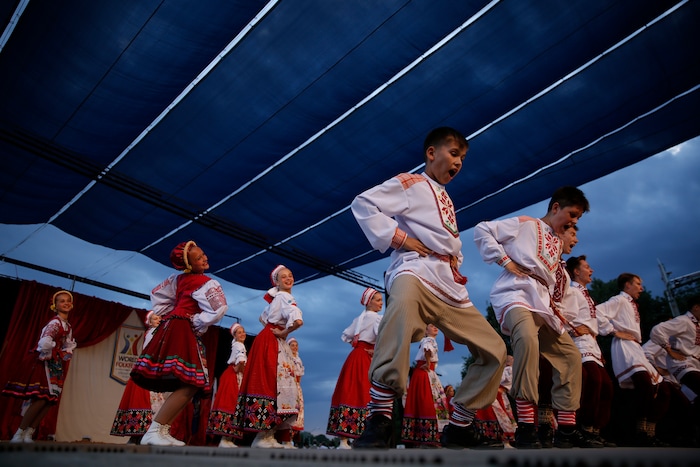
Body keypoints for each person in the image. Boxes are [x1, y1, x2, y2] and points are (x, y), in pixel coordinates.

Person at [351, 126, 507, 449]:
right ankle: (380, 418)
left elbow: (450, 242)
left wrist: (455, 260)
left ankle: (460, 423)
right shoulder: (412, 183)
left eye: (463, 158)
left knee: (496, 349)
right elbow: (364, 204)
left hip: (448, 284)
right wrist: (401, 239)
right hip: (415, 271)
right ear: (431, 153)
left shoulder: (446, 197)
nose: (459, 162)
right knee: (400, 312)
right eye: (454, 154)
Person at [474, 186, 595, 449]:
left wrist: (557, 309)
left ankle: (565, 429)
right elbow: (483, 230)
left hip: (541, 303)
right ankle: (527, 428)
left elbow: (550, 281)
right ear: (555, 208)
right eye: (572, 214)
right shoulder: (527, 224)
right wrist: (505, 260)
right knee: (527, 341)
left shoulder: (555, 240)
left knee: (570, 356)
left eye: (578, 218)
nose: (574, 221)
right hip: (515, 293)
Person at [130, 240, 228, 446]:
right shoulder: (204, 282)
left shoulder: (177, 280)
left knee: (192, 384)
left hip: (178, 327)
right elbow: (219, 309)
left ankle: (162, 430)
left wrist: (172, 313)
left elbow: (157, 295)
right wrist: (194, 319)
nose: (205, 258)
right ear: (189, 265)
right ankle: (155, 430)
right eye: (199, 257)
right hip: (181, 330)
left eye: (203, 255)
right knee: (190, 382)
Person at [232, 265, 303, 448]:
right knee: (271, 383)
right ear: (277, 282)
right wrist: (284, 332)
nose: (288, 279)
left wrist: (280, 332)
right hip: (271, 342)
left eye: (290, 275)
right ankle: (263, 436)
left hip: (267, 340)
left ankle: (267, 435)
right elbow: (298, 320)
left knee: (272, 384)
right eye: (283, 277)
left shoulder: (277, 299)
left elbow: (262, 318)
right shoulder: (284, 297)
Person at [596, 273, 667, 446]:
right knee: (643, 385)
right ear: (627, 285)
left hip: (636, 347)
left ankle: (646, 431)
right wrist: (613, 331)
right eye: (638, 284)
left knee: (662, 389)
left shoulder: (631, 303)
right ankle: (639, 432)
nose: (641, 288)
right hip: (625, 347)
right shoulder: (619, 300)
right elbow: (597, 312)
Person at [4, 290, 77, 443]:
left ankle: (29, 433)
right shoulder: (55, 323)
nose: (65, 303)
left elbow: (68, 346)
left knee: (50, 400)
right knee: (42, 398)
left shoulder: (67, 326)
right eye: (61, 301)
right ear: (55, 306)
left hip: (55, 364)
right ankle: (19, 433)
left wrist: (64, 353)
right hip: (44, 361)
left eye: (68, 300)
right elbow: (44, 343)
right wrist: (55, 350)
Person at [562, 255, 615, 446]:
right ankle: (583, 428)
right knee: (592, 380)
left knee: (606, 386)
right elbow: (561, 312)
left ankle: (595, 429)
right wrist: (572, 329)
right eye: (587, 267)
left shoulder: (586, 294)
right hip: (579, 342)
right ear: (576, 271)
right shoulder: (572, 291)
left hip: (592, 343)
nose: (591, 270)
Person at [327, 287, 384, 449]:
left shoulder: (358, 319)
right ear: (369, 302)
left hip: (354, 356)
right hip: (366, 358)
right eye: (378, 300)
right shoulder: (376, 319)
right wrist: (374, 350)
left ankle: (343, 439)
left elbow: (346, 335)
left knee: (348, 392)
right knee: (366, 393)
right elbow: (383, 338)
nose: (381, 303)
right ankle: (365, 435)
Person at [110, 310, 163, 444]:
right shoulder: (152, 333)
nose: (158, 320)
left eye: (159, 318)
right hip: (146, 372)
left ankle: (140, 439)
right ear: (149, 322)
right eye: (155, 319)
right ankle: (137, 439)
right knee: (146, 405)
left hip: (152, 372)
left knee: (156, 407)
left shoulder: (159, 333)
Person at [401, 324, 450, 447]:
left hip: (424, 373)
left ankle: (423, 436)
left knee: (427, 402)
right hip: (425, 373)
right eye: (432, 326)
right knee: (432, 403)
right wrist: (428, 363)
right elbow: (427, 350)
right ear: (425, 330)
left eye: (436, 326)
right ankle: (431, 437)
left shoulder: (428, 340)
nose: (436, 328)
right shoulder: (428, 340)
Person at [206, 322, 247, 448]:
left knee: (233, 404)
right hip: (232, 376)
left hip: (233, 375)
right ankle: (225, 438)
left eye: (243, 331)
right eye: (239, 332)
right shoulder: (238, 345)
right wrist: (238, 369)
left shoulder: (238, 345)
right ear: (234, 336)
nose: (242, 334)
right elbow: (240, 361)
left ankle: (227, 439)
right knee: (230, 404)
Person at [282, 336, 304, 448]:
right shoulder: (287, 358)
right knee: (289, 412)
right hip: (289, 387)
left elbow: (299, 375)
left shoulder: (298, 360)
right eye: (292, 345)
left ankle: (290, 439)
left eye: (296, 345)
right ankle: (285, 440)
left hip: (297, 387)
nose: (295, 347)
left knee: (297, 413)